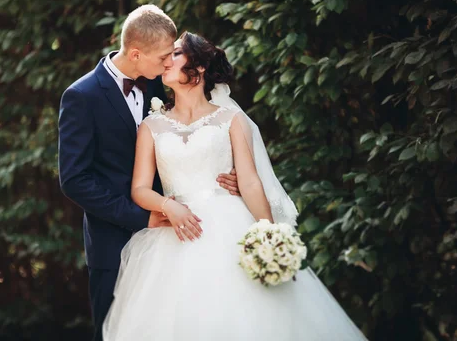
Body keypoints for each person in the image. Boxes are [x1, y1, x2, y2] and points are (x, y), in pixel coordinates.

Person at [102, 32, 368, 340]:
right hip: (175, 231)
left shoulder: (230, 119)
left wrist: (270, 235)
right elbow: (139, 189)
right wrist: (167, 205)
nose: (165, 60)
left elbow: (251, 182)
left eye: (175, 54)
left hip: (230, 227)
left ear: (199, 67)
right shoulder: (151, 126)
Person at [58, 6, 240, 341]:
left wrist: (227, 175)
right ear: (137, 54)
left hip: (176, 241)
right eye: (163, 57)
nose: (169, 63)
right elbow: (74, 179)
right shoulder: (81, 96)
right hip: (113, 241)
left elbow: (194, 133)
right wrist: (143, 217)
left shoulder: (160, 87)